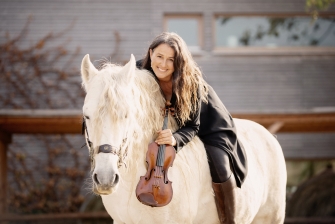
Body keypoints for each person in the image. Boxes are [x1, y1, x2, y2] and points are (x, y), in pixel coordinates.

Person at [136, 32, 247, 224]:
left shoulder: (190, 80)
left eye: (171, 60)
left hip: (209, 126)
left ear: (178, 62)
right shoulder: (138, 70)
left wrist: (174, 139)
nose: (163, 64)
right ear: (151, 53)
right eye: (160, 57)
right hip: (174, 123)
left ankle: (229, 219)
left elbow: (193, 126)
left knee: (219, 166)